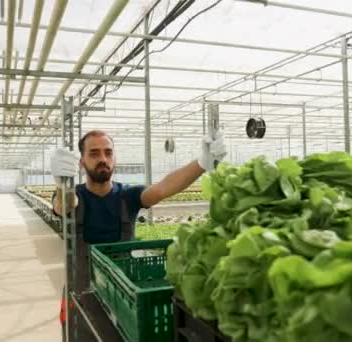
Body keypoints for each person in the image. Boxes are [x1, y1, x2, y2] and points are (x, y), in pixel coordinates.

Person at [50, 129, 226, 340]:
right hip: (80, 298)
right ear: (81, 162)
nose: (103, 159)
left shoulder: (127, 196)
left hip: (121, 299)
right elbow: (64, 205)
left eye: (108, 153)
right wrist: (62, 185)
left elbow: (162, 189)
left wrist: (201, 164)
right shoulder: (75, 195)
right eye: (94, 153)